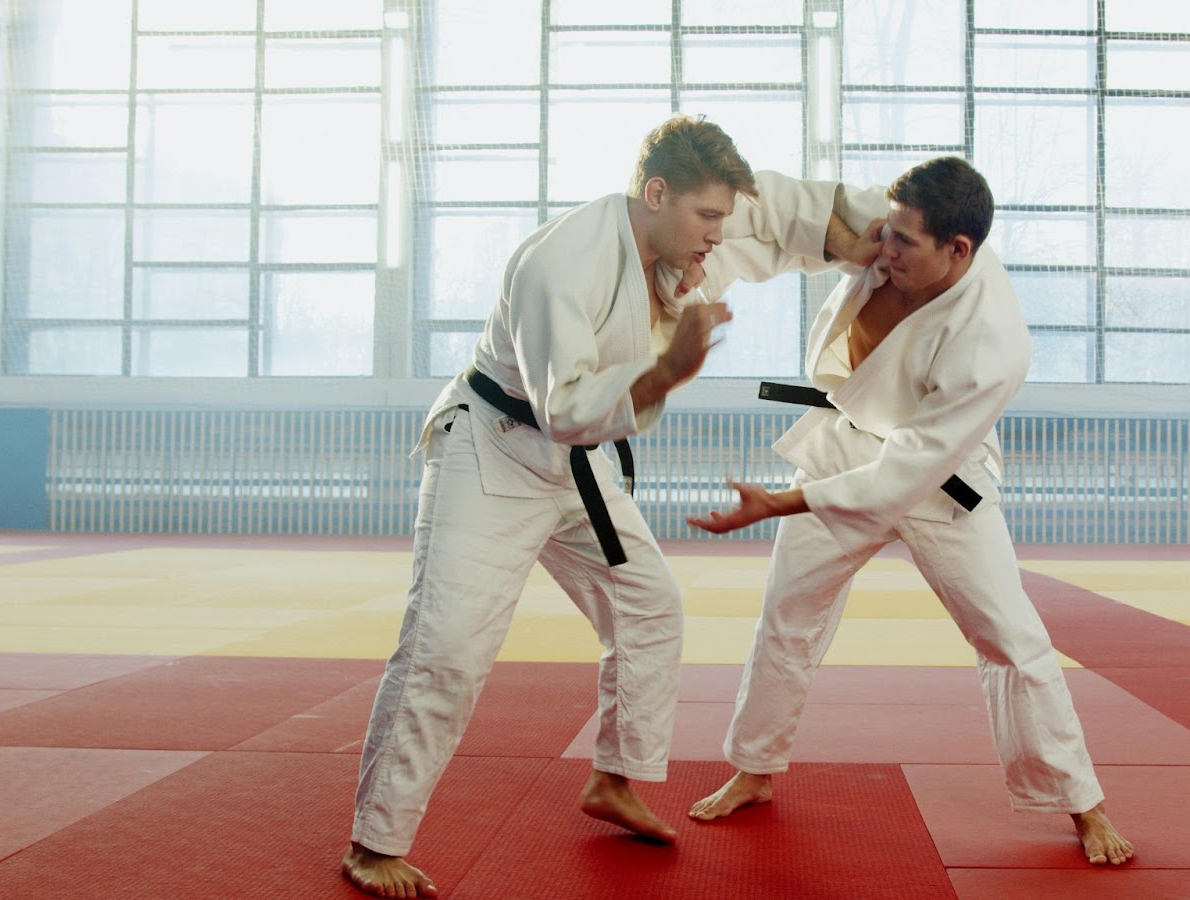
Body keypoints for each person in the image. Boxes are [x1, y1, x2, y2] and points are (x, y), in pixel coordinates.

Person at [342, 115, 879, 898]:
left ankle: (615, 779)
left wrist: (865, 236)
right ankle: (373, 842)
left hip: (578, 471)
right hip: (495, 455)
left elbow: (778, 210)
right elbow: (562, 409)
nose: (717, 237)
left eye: (720, 219)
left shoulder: (681, 230)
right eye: (705, 218)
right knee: (447, 648)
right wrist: (671, 368)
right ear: (655, 193)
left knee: (650, 605)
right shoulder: (563, 265)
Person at [682, 157, 1135, 866]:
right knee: (789, 611)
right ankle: (754, 768)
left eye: (903, 245)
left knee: (1010, 639)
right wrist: (692, 236)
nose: (882, 250)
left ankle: (1083, 801)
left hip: (938, 476)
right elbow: (775, 204)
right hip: (844, 440)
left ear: (958, 251)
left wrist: (782, 502)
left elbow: (907, 470)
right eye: (885, 233)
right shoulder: (888, 223)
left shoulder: (994, 342)